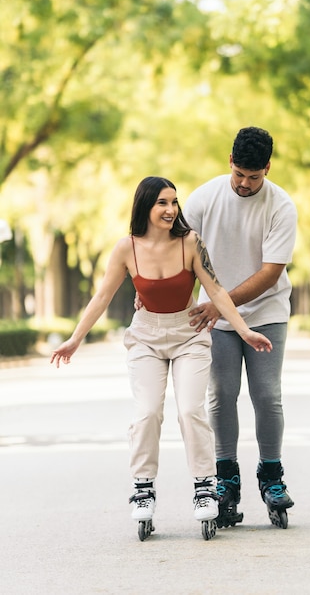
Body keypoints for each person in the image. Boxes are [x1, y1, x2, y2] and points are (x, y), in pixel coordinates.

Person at [50, 176, 272, 538]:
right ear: (145, 207)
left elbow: (215, 290)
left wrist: (244, 330)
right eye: (162, 204)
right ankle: (143, 487)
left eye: (174, 203)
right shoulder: (127, 249)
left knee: (189, 409)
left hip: (189, 335)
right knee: (147, 411)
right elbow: (102, 297)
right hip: (146, 338)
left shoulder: (190, 243)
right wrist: (75, 339)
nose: (171, 210)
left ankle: (204, 486)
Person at [183, 126, 297, 528]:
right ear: (230, 162)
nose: (246, 184)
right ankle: (225, 475)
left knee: (267, 395)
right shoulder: (202, 199)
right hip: (217, 316)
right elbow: (177, 254)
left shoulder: (281, 206)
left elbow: (269, 274)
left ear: (267, 168)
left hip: (266, 312)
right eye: (240, 175)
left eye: (255, 176)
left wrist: (220, 304)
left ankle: (271, 473)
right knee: (221, 394)